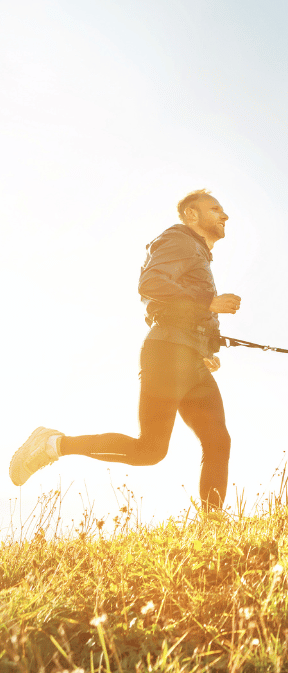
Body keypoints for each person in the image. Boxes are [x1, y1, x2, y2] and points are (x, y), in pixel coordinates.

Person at [9, 189, 242, 512]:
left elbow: (186, 310)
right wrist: (208, 302)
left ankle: (213, 525)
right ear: (192, 214)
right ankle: (52, 444)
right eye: (215, 209)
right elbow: (151, 284)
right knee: (150, 450)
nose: (224, 215)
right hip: (167, 353)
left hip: (190, 358)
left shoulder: (198, 253)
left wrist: (209, 346)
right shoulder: (179, 240)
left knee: (218, 440)